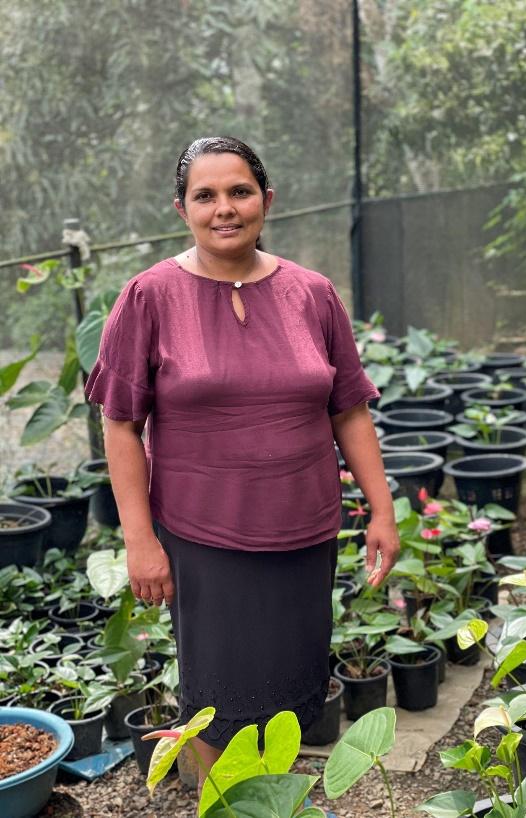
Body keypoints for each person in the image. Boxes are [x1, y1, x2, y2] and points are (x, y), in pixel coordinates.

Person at [85, 136, 399, 796]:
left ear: (266, 200)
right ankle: (222, 807)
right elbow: (120, 424)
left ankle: (273, 804)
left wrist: (382, 507)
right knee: (216, 698)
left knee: (288, 692)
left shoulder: (312, 294)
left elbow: (348, 409)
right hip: (206, 539)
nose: (225, 208)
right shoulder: (148, 297)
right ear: (182, 209)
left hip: (305, 533)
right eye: (207, 195)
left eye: (240, 191)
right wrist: (139, 541)